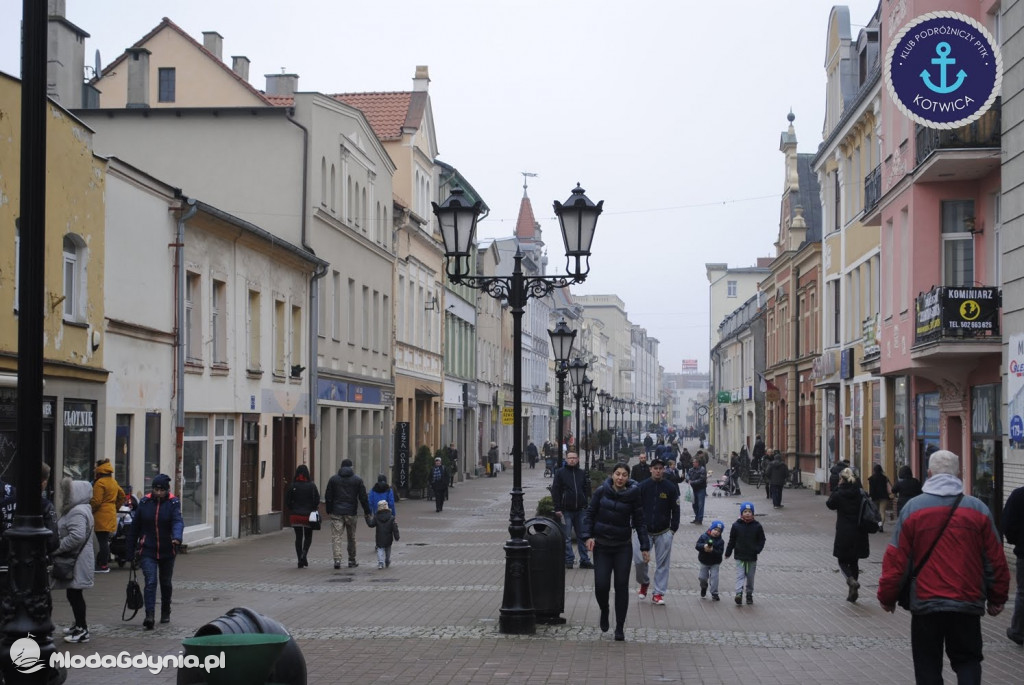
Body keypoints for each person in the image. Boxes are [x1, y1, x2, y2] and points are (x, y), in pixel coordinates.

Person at [877, 450, 1009, 684]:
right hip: (966, 602)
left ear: (929, 474)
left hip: (926, 604)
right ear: (958, 474)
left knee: (927, 665)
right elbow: (995, 559)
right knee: (968, 660)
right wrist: (997, 597)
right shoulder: (978, 510)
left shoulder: (913, 510)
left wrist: (888, 597)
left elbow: (897, 560)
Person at [581, 462, 649, 641]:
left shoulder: (634, 495)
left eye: (624, 475)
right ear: (612, 475)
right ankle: (604, 609)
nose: (620, 478)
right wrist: (587, 536)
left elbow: (640, 521)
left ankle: (619, 627)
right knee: (601, 585)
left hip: (622, 547)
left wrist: (644, 547)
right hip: (602, 546)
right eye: (617, 474)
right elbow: (589, 514)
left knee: (621, 586)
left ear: (628, 477)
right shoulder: (601, 491)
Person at [127, 473, 184, 630]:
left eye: (161, 490)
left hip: (167, 550)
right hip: (148, 549)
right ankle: (149, 615)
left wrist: (177, 538)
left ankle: (165, 610)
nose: (158, 492)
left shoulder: (173, 503)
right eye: (156, 489)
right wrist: (130, 549)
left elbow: (178, 522)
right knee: (150, 581)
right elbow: (135, 528)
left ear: (167, 490)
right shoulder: (145, 503)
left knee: (165, 583)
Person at [53, 478, 95, 643]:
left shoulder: (77, 511)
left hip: (77, 559)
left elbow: (77, 536)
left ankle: (82, 629)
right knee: (73, 593)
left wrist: (58, 548)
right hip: (78, 558)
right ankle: (78, 625)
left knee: (75, 593)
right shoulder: (80, 509)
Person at [634, 457, 680, 605]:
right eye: (655, 468)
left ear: (664, 470)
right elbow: (634, 507)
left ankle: (658, 593)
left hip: (663, 531)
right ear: (651, 469)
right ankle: (644, 582)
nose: (658, 471)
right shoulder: (642, 486)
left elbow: (676, 509)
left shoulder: (670, 487)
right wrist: (635, 525)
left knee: (663, 564)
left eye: (661, 468)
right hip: (643, 531)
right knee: (640, 561)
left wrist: (673, 529)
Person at [826, 468, 870, 603]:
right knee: (854, 560)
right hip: (859, 531)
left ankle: (851, 581)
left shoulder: (839, 493)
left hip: (844, 531)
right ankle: (853, 587)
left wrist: (837, 489)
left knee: (842, 560)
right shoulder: (860, 493)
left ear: (842, 480)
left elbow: (830, 504)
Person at [324, 458, 372, 569]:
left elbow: (328, 496)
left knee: (336, 536)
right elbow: (363, 497)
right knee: (351, 537)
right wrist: (367, 511)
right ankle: (351, 560)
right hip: (351, 512)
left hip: (336, 512)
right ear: (351, 467)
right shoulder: (357, 480)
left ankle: (337, 560)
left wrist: (329, 509)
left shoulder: (333, 480)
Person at [550, 452, 593, 570]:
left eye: (574, 458)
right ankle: (569, 559)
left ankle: (584, 560)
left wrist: (586, 503)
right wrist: (557, 508)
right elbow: (556, 491)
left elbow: (586, 489)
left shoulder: (582, 473)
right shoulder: (560, 473)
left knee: (583, 536)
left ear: (578, 459)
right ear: (566, 459)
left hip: (581, 510)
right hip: (565, 510)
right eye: (570, 458)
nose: (572, 460)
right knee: (566, 537)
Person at [725, 501, 766, 605]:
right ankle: (738, 593)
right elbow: (732, 540)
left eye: (749, 511)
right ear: (741, 513)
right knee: (740, 575)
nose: (747, 513)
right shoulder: (736, 525)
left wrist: (758, 549)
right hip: (740, 555)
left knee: (750, 577)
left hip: (752, 556)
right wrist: (728, 552)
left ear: (752, 513)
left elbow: (762, 539)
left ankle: (749, 594)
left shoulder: (757, 526)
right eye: (745, 511)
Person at [90, 458, 126, 574]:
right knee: (105, 540)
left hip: (101, 515)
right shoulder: (113, 481)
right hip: (110, 513)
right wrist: (115, 507)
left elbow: (96, 501)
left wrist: (89, 510)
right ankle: (103, 562)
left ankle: (103, 565)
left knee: (102, 541)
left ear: (99, 469)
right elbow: (122, 495)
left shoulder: (100, 483)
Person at [284, 464, 320, 569]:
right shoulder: (312, 486)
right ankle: (304, 553)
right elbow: (317, 500)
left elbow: (287, 500)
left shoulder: (293, 485)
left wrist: (292, 508)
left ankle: (299, 558)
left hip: (295, 516)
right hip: (308, 516)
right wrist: (313, 508)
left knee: (298, 537)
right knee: (308, 537)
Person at [1002, 484, 1024, 646]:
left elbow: (1008, 524)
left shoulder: (1019, 495)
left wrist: (1016, 541)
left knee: (1023, 593)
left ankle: (1019, 630)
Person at [695, 520, 726, 601]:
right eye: (715, 529)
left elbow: (720, 552)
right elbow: (697, 546)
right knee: (702, 577)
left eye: (719, 531)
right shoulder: (704, 536)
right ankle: (704, 587)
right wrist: (704, 546)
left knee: (714, 577)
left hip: (715, 562)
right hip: (704, 561)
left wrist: (712, 550)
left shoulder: (721, 541)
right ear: (711, 529)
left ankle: (714, 593)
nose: (716, 532)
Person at [367, 500, 400, 569]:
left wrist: (367, 518)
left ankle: (380, 562)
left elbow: (371, 524)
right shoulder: (391, 518)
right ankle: (387, 560)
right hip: (388, 538)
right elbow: (395, 529)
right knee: (388, 549)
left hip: (379, 537)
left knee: (380, 549)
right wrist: (397, 537)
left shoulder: (376, 517)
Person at [867, 464, 893, 532]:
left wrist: (870, 496)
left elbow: (871, 489)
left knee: (875, 512)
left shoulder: (871, 478)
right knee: (882, 512)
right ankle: (880, 526)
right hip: (884, 497)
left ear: (874, 470)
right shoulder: (885, 478)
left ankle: (878, 524)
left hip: (875, 497)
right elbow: (889, 487)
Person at [686, 452, 708, 525]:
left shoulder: (702, 469)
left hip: (701, 489)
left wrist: (692, 482)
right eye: (693, 462)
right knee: (694, 504)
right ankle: (696, 517)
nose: (693, 463)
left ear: (698, 463)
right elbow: (687, 475)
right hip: (694, 489)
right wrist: (688, 479)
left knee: (700, 504)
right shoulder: (691, 469)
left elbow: (701, 480)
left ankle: (700, 519)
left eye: (694, 462)